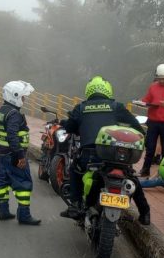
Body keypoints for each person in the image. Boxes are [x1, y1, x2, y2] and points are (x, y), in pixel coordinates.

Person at [59, 76, 152, 225]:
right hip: (115, 155)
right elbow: (138, 128)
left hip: (89, 155)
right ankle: (145, 213)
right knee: (131, 177)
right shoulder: (117, 107)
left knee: (74, 169)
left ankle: (75, 205)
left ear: (88, 91)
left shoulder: (81, 108)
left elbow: (69, 128)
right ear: (108, 90)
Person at [0, 80, 41, 225]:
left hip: (2, 154)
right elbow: (12, 135)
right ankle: (24, 215)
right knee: (24, 183)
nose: (24, 99)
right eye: (22, 97)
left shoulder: (1, 110)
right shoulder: (14, 114)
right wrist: (20, 156)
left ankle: (3, 211)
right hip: (13, 154)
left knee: (3, 181)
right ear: (14, 96)